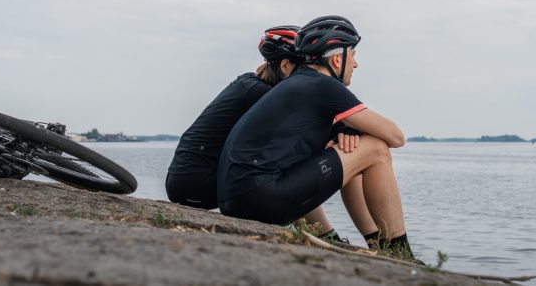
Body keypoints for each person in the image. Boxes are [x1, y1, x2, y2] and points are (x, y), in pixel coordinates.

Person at [217, 15, 419, 260]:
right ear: (337, 58)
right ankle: (399, 252)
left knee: (351, 148)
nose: (355, 65)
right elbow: (396, 136)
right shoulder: (322, 85)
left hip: (239, 199)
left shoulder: (298, 83)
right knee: (375, 148)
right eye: (353, 55)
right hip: (260, 198)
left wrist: (346, 134)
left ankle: (375, 241)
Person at [165, 25, 304, 210]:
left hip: (183, 182)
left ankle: (320, 231)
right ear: (285, 66)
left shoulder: (250, 84)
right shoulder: (260, 94)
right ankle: (323, 233)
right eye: (303, 69)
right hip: (196, 186)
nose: (306, 77)